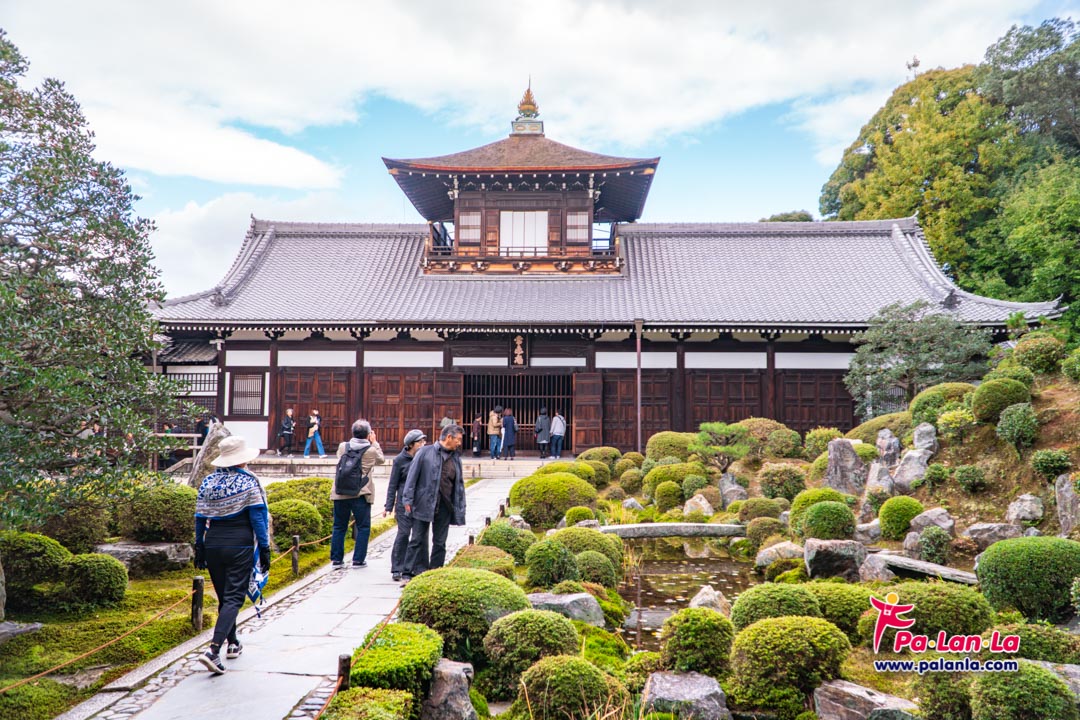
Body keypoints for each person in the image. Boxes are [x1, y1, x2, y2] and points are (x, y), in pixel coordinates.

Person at [193, 436, 271, 674]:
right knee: (234, 598)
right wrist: (265, 547)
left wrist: (199, 545)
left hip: (213, 543)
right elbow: (258, 517)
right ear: (242, 459)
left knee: (224, 597)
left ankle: (233, 642)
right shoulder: (248, 482)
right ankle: (213, 650)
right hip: (240, 544)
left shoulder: (208, 482)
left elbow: (200, 517)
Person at [401, 424, 466, 583]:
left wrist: (460, 506)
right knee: (416, 539)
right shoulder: (425, 452)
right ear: (449, 437)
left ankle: (435, 573)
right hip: (423, 502)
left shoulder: (456, 457)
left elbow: (459, 484)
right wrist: (407, 499)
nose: (459, 443)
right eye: (458, 439)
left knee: (440, 542)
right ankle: (408, 573)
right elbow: (412, 477)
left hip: (445, 505)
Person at [331, 420, 385, 567]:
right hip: (360, 493)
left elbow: (339, 458)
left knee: (339, 526)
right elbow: (381, 460)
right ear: (368, 434)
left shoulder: (343, 446)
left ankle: (336, 560)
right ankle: (358, 560)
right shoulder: (371, 450)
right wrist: (374, 442)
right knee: (363, 527)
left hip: (340, 492)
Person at [385, 429, 426, 581]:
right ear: (411, 444)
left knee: (419, 536)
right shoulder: (400, 460)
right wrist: (389, 506)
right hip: (403, 503)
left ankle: (416, 567)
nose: (423, 444)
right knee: (403, 534)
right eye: (420, 442)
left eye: (423, 441)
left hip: (419, 502)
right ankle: (397, 567)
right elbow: (393, 484)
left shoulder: (424, 458)